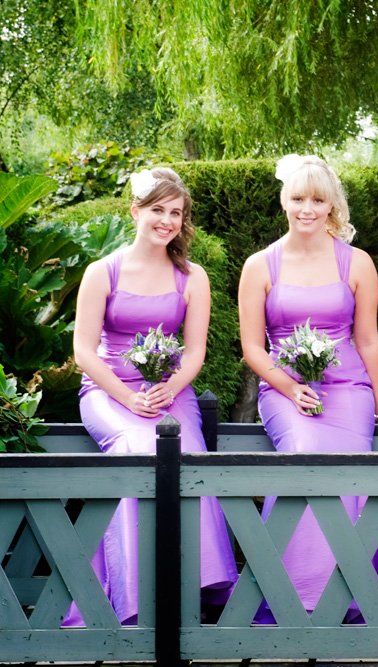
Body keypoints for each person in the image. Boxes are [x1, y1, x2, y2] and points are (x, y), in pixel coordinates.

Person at [238, 154, 378, 620]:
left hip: (348, 390)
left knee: (351, 470)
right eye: (299, 198)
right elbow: (254, 350)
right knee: (304, 454)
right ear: (285, 201)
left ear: (332, 205)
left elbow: (368, 339)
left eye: (318, 199)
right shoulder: (260, 265)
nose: (308, 209)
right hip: (285, 391)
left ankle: (360, 602)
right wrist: (290, 388)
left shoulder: (357, 263)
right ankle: (296, 599)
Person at [69, 167, 237, 625]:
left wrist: (170, 387)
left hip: (169, 391)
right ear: (135, 211)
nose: (166, 220)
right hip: (109, 392)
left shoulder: (191, 276)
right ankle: (135, 595)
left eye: (176, 213)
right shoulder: (102, 272)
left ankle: (194, 586)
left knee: (188, 452)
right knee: (140, 450)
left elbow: (197, 351)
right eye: (157, 210)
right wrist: (128, 398)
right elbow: (84, 352)